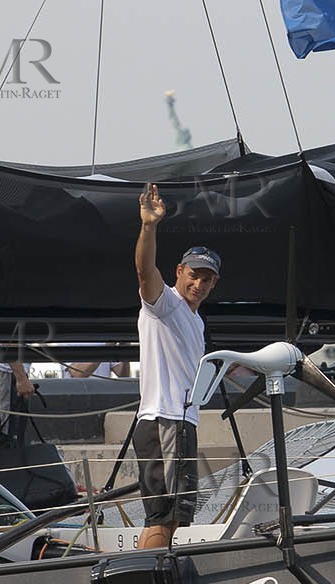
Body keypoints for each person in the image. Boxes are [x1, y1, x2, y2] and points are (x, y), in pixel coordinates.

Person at [134, 181, 219, 550]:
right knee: (164, 516)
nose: (199, 283)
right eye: (194, 274)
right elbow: (143, 271)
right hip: (164, 419)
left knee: (177, 517)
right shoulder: (165, 302)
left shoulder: (196, 320)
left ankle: (156, 575)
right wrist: (149, 226)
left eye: (207, 278)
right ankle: (146, 583)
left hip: (180, 422)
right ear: (180, 270)